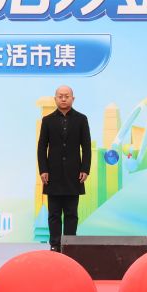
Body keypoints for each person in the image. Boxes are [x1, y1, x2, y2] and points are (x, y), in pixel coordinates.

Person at [37, 85, 91, 252]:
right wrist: (43, 170)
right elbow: (41, 147)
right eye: (60, 96)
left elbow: (86, 147)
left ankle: (70, 244)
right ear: (55, 99)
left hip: (74, 174)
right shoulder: (47, 120)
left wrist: (85, 169)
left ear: (73, 98)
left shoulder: (81, 119)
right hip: (52, 174)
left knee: (71, 213)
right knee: (53, 213)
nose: (63, 99)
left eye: (67, 96)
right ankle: (55, 244)